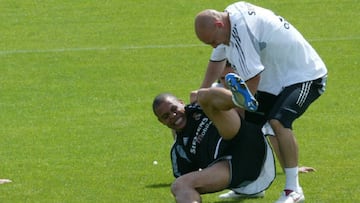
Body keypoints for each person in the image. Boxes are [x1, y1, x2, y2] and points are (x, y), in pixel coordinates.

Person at [194, 2, 328, 202]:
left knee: (278, 122)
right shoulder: (228, 21)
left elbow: (253, 77)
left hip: (305, 76)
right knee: (248, 129)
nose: (214, 45)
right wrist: (201, 93)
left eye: (212, 41)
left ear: (218, 24)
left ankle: (293, 190)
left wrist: (238, 104)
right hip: (276, 80)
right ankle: (252, 186)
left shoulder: (241, 30)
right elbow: (217, 59)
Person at [152, 86, 276, 203]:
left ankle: (239, 100)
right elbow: (188, 180)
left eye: (174, 109)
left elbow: (201, 95)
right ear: (161, 122)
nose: (173, 116)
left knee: (202, 95)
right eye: (166, 116)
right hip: (233, 168)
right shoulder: (180, 149)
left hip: (246, 141)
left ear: (181, 102)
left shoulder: (198, 106)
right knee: (179, 185)